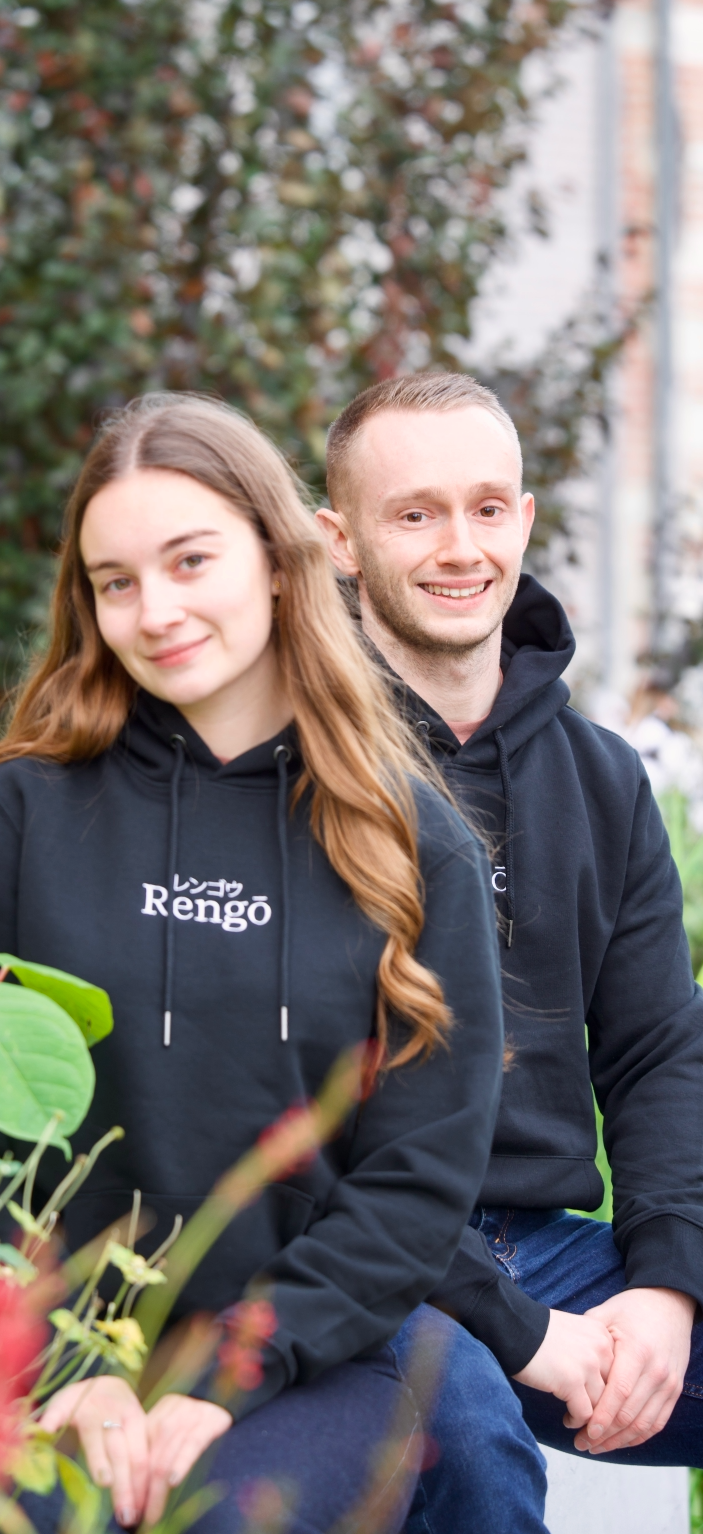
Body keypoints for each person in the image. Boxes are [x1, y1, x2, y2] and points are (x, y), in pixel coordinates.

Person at [0, 393, 505, 1534]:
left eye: (190, 561)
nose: (155, 610)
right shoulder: (18, 813)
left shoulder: (407, 838)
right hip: (63, 1353)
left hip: (307, 1348)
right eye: (115, 580)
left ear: (279, 564)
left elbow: (417, 1180)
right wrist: (42, 1373)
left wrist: (230, 1369)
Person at [316, 371, 703, 1534]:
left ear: (524, 520)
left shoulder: (599, 778)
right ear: (339, 543)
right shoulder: (296, 772)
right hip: (369, 1261)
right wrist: (521, 1330)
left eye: (486, 507)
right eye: (414, 512)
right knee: (469, 1440)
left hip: (546, 1245)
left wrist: (666, 1285)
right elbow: (287, 1120)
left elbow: (652, 1052)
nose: (458, 546)